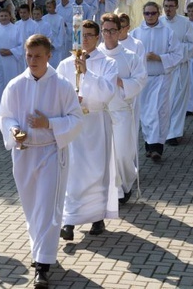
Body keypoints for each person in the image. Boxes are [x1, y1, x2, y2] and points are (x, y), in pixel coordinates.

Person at [0, 34, 83, 288]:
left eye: (37, 56)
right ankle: (40, 251)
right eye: (29, 55)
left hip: (50, 153)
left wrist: (50, 124)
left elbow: (77, 121)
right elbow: (6, 116)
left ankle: (42, 266)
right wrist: (14, 132)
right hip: (24, 153)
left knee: (47, 208)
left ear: (49, 56)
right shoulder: (15, 85)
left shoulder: (62, 85)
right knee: (32, 207)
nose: (32, 60)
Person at [57, 21, 117, 241]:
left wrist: (87, 74)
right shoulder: (64, 64)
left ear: (98, 37)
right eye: (82, 35)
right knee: (72, 173)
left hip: (95, 123)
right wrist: (70, 101)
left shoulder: (108, 63)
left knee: (96, 171)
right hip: (73, 125)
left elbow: (108, 92)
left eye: (90, 35)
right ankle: (69, 221)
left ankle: (97, 217)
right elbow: (57, 90)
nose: (85, 39)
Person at [98, 13, 147, 204]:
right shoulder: (95, 55)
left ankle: (126, 183)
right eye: (105, 30)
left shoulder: (130, 57)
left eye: (112, 30)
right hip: (100, 112)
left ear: (119, 31)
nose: (108, 34)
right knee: (103, 154)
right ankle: (112, 191)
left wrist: (120, 82)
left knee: (123, 153)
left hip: (121, 111)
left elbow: (141, 79)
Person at [130, 2, 181, 162]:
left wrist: (160, 58)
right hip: (143, 79)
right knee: (146, 113)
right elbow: (129, 55)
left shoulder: (168, 32)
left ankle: (157, 147)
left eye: (153, 13)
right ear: (143, 14)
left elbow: (177, 54)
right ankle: (149, 144)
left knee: (160, 111)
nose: (150, 16)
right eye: (147, 13)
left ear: (158, 14)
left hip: (161, 78)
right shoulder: (136, 34)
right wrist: (141, 58)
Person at [161, 0, 193, 147]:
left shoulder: (185, 23)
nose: (168, 9)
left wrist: (177, 53)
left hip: (180, 67)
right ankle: (162, 130)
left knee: (178, 101)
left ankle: (174, 133)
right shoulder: (159, 22)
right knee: (164, 101)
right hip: (163, 68)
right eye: (166, 6)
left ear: (176, 7)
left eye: (171, 6)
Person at [0, 9, 23, 92]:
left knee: (12, 83)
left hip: (11, 61)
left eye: (5, 16)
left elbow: (22, 46)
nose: (3, 18)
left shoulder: (16, 29)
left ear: (10, 16)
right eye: (1, 16)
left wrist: (11, 51)